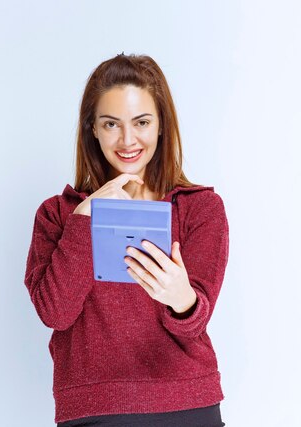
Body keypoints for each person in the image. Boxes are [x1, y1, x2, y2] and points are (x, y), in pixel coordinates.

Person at [23, 53, 230, 427]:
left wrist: (182, 298)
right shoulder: (57, 214)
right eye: (111, 124)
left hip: (186, 404)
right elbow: (54, 312)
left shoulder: (200, 208)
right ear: (93, 129)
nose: (127, 139)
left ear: (161, 125)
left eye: (142, 122)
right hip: (93, 409)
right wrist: (85, 216)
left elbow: (194, 322)